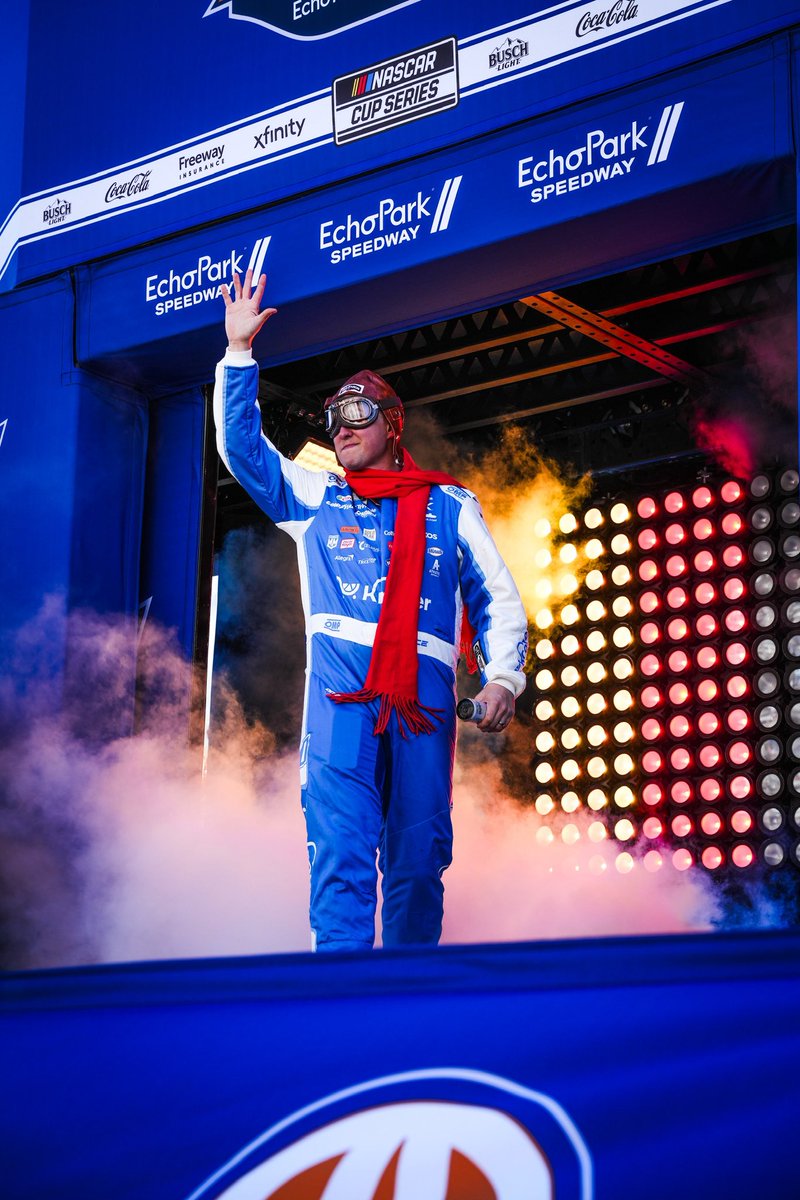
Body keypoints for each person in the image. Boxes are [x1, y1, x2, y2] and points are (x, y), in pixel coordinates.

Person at [215, 269, 528, 952]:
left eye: (357, 414)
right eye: (332, 416)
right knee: (342, 854)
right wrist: (239, 355)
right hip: (340, 698)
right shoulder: (317, 496)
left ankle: (408, 1000)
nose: (341, 426)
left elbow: (499, 598)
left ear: (392, 425)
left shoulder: (451, 504)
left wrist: (505, 676)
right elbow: (243, 453)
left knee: (418, 864)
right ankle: (343, 1003)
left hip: (424, 699)